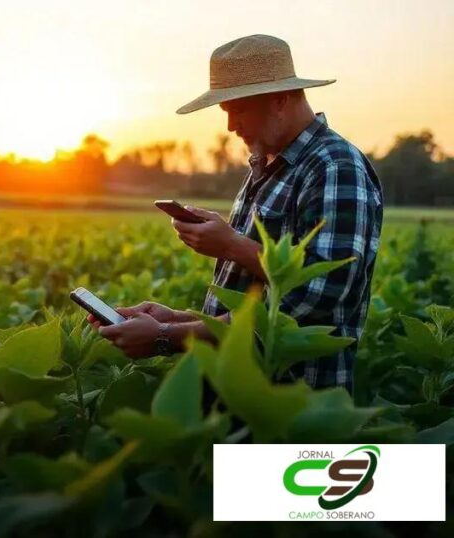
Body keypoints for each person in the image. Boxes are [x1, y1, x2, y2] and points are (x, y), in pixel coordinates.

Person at [89, 34, 383, 393]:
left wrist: (168, 335)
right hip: (238, 393)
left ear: (279, 100)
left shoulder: (335, 167)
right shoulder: (269, 164)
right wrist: (175, 318)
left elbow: (319, 295)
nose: (230, 127)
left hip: (292, 404)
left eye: (237, 110)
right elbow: (255, 298)